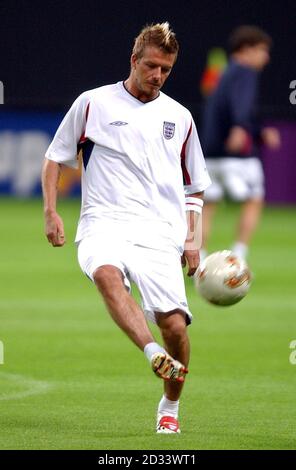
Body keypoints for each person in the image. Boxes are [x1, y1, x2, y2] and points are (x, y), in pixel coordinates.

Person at [42, 22, 211, 434]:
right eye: (151, 66)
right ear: (133, 60)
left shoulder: (180, 117)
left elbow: (194, 188)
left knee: (174, 326)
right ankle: (150, 351)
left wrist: (192, 242)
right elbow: (55, 159)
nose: (157, 76)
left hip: (159, 233)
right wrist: (51, 211)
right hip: (104, 222)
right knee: (105, 273)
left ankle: (170, 404)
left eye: (166, 70)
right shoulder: (93, 103)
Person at [200, 25, 281, 260]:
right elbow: (241, 104)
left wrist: (256, 131)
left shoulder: (223, 74)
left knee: (206, 206)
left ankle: (200, 260)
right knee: (254, 199)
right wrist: (241, 127)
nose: (266, 57)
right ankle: (239, 255)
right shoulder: (246, 72)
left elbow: (224, 109)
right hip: (237, 155)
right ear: (246, 49)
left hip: (210, 154)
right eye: (262, 50)